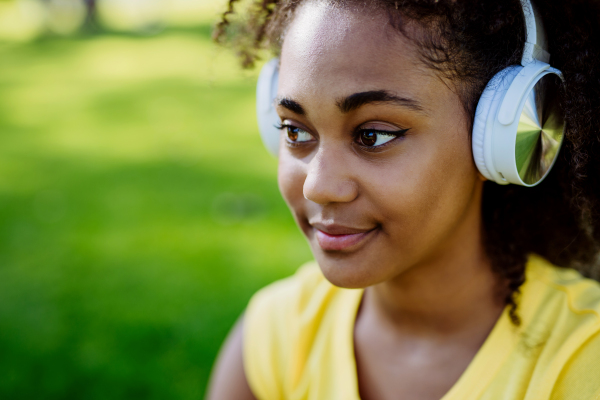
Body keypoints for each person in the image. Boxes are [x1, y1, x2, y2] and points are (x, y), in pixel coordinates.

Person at [207, 0, 600, 399]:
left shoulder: (585, 362)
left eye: (372, 135)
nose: (317, 186)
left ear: (502, 139)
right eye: (295, 131)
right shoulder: (276, 336)